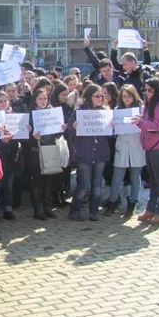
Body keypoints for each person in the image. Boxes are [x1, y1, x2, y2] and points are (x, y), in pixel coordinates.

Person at [68, 84, 111, 221]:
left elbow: (110, 135)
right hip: (84, 153)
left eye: (101, 96)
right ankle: (75, 211)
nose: (100, 98)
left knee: (97, 185)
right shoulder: (79, 111)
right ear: (89, 96)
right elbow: (69, 129)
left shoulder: (105, 111)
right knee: (84, 184)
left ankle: (94, 212)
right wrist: (74, 127)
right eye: (97, 96)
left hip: (100, 153)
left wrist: (112, 127)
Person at [132, 78, 159, 226]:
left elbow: (157, 126)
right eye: (145, 90)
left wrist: (141, 123)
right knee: (153, 180)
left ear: (157, 91)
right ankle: (150, 209)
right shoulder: (148, 106)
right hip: (150, 145)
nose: (147, 93)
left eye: (150, 90)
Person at [104, 85, 146, 218]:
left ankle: (132, 204)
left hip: (136, 145)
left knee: (135, 177)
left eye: (129, 96)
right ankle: (112, 202)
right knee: (117, 176)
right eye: (124, 96)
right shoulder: (117, 110)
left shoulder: (141, 110)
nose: (127, 99)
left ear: (134, 96)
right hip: (122, 145)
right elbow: (113, 128)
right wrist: (111, 125)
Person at [28, 87, 63, 220]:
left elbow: (58, 134)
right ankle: (38, 210)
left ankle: (47, 208)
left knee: (49, 181)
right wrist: (33, 136)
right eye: (40, 99)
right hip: (36, 152)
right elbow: (25, 137)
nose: (43, 101)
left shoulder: (52, 113)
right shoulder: (30, 115)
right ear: (35, 100)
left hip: (50, 150)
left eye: (45, 98)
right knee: (37, 182)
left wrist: (61, 129)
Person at [0, 92, 20, 221]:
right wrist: (0, 139)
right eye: (0, 101)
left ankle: (8, 208)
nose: (3, 104)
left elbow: (21, 136)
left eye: (5, 101)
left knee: (9, 185)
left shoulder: (14, 117)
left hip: (11, 156)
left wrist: (26, 129)